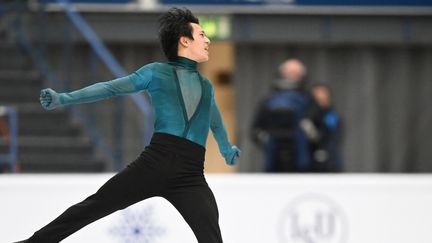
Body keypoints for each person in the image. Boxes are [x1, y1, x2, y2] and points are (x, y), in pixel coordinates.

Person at [14, 7, 240, 243]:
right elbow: (110, 88)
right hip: (155, 163)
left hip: (190, 175)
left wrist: (226, 148)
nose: (208, 40)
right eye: (202, 35)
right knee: (92, 207)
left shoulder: (206, 85)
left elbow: (213, 119)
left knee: (212, 239)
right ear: (185, 40)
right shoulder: (155, 72)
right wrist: (64, 98)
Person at [251, 59, 313, 172]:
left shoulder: (309, 99)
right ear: (282, 73)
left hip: (301, 158)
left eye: (296, 73)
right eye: (290, 72)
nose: (292, 76)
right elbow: (257, 127)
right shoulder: (269, 99)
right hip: (273, 156)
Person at [306, 83, 342, 172]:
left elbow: (333, 138)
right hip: (310, 163)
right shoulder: (308, 116)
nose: (320, 97)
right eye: (317, 95)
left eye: (323, 94)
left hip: (330, 162)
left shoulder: (331, 116)